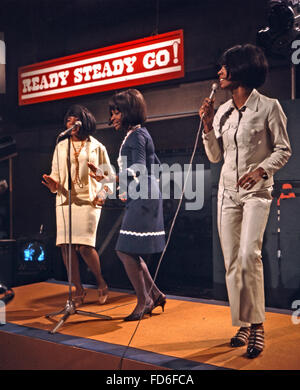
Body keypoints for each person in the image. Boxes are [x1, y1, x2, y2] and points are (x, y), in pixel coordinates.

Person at [199, 44, 291, 358]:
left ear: (241, 69)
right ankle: (245, 322)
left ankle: (258, 326)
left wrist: (261, 170)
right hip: (226, 193)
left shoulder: (269, 107)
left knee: (250, 254)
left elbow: (283, 149)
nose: (220, 72)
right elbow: (214, 156)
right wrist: (208, 126)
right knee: (232, 262)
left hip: (257, 193)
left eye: (225, 67)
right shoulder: (222, 110)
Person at [90, 89, 166, 321]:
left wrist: (111, 177)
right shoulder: (139, 134)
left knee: (124, 250)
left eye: (116, 113)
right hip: (142, 194)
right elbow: (154, 166)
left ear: (128, 112)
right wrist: (125, 186)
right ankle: (154, 294)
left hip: (144, 197)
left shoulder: (136, 136)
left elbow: (140, 168)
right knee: (131, 250)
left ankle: (145, 301)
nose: (111, 118)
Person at [42, 105, 114, 306]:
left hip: (89, 202)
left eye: (75, 120)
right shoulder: (61, 146)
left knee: (83, 247)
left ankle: (101, 283)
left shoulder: (97, 147)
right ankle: (79, 290)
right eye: (68, 121)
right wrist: (52, 184)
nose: (71, 124)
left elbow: (109, 179)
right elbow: (55, 176)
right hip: (65, 202)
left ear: (85, 122)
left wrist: (103, 195)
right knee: (66, 247)